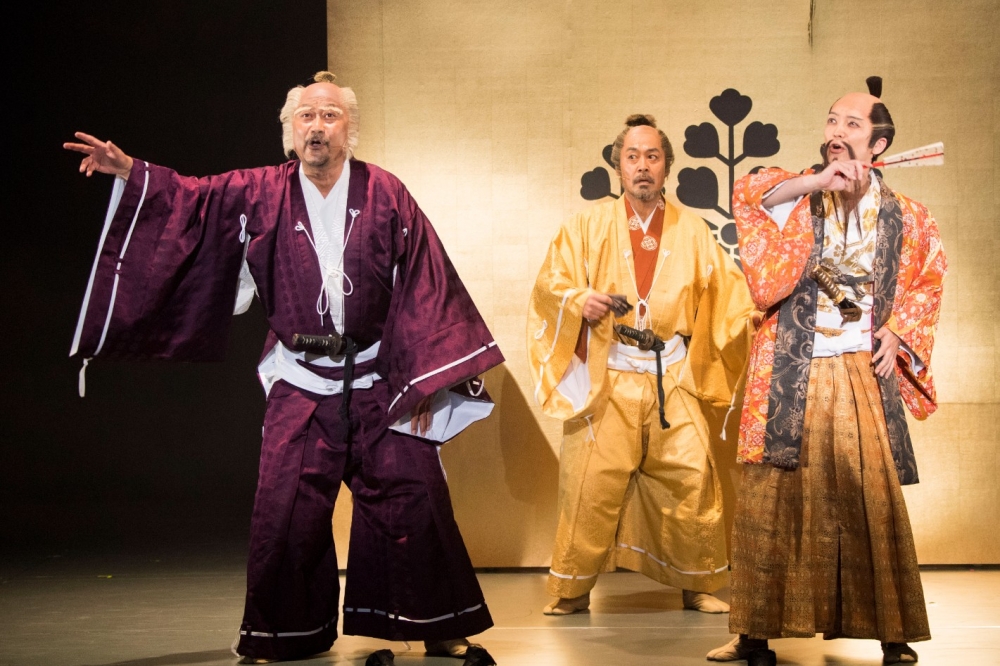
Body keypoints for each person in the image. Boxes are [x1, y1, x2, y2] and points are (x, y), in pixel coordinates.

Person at [65, 72, 502, 666]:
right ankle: (282, 635)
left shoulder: (386, 193)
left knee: (414, 498)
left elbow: (427, 283)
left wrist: (426, 378)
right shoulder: (259, 191)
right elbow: (192, 198)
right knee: (285, 510)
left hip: (376, 377)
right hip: (301, 379)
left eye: (329, 116)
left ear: (350, 129)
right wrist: (131, 172)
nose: (317, 127)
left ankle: (438, 627)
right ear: (289, 131)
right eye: (306, 117)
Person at [707, 77, 946, 666]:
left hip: (859, 369)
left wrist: (899, 331)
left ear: (879, 145)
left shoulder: (908, 217)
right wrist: (818, 181)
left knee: (869, 495)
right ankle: (754, 633)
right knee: (770, 497)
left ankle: (892, 632)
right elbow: (749, 195)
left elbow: (927, 279)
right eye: (832, 121)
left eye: (852, 125)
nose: (837, 132)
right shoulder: (796, 194)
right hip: (791, 366)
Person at [527, 115, 755, 617]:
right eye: (632, 156)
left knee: (692, 478)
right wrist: (579, 299)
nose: (643, 166)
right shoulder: (585, 227)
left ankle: (697, 582)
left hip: (670, 372)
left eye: (652, 156)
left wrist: (754, 316)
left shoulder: (693, 231)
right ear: (618, 166)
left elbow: (728, 295)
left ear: (666, 166)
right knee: (589, 482)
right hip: (608, 372)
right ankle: (573, 587)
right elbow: (551, 285)